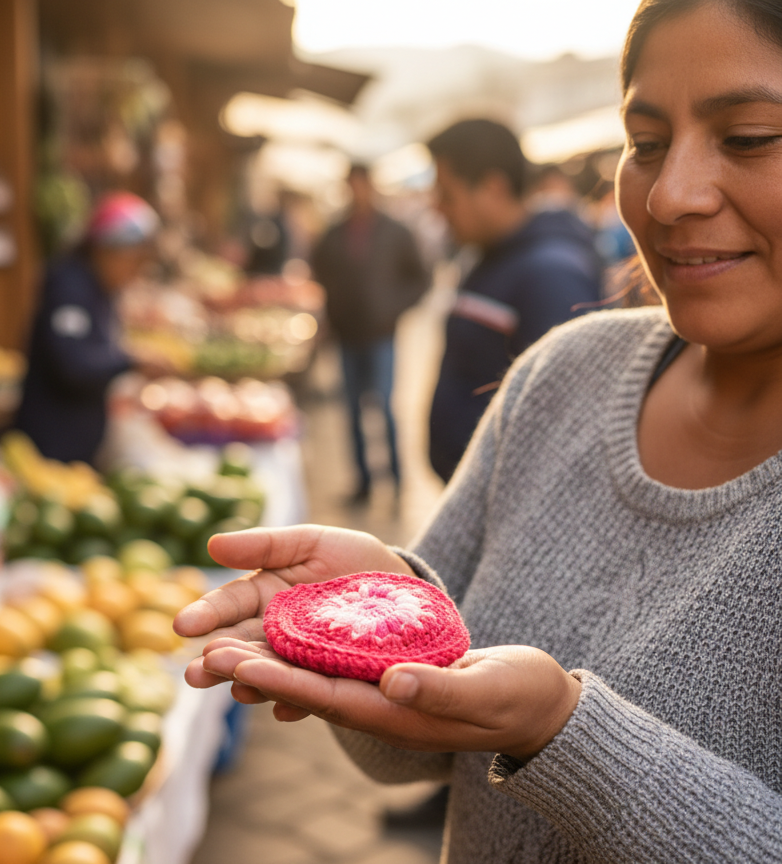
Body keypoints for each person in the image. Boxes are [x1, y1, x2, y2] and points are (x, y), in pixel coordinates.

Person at [175, 0, 782, 860]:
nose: (672, 193)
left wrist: (562, 735)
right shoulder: (561, 377)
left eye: (752, 136)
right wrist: (383, 615)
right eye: (645, 143)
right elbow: (409, 744)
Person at [426, 120, 603, 482]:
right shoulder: (490, 257)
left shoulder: (551, 276)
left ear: (493, 187)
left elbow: (567, 425)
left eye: (447, 194)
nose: (437, 209)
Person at [14, 192, 164, 464]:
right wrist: (130, 361)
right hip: (52, 445)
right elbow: (73, 364)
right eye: (135, 259)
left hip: (78, 440)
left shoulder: (98, 286)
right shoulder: (70, 288)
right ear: (106, 249)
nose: (137, 271)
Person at [311, 164, 429, 504]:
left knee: (385, 407)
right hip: (347, 335)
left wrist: (392, 309)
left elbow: (421, 278)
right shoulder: (334, 233)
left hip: (381, 335)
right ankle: (363, 481)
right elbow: (320, 272)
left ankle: (395, 477)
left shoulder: (395, 232)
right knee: (352, 410)